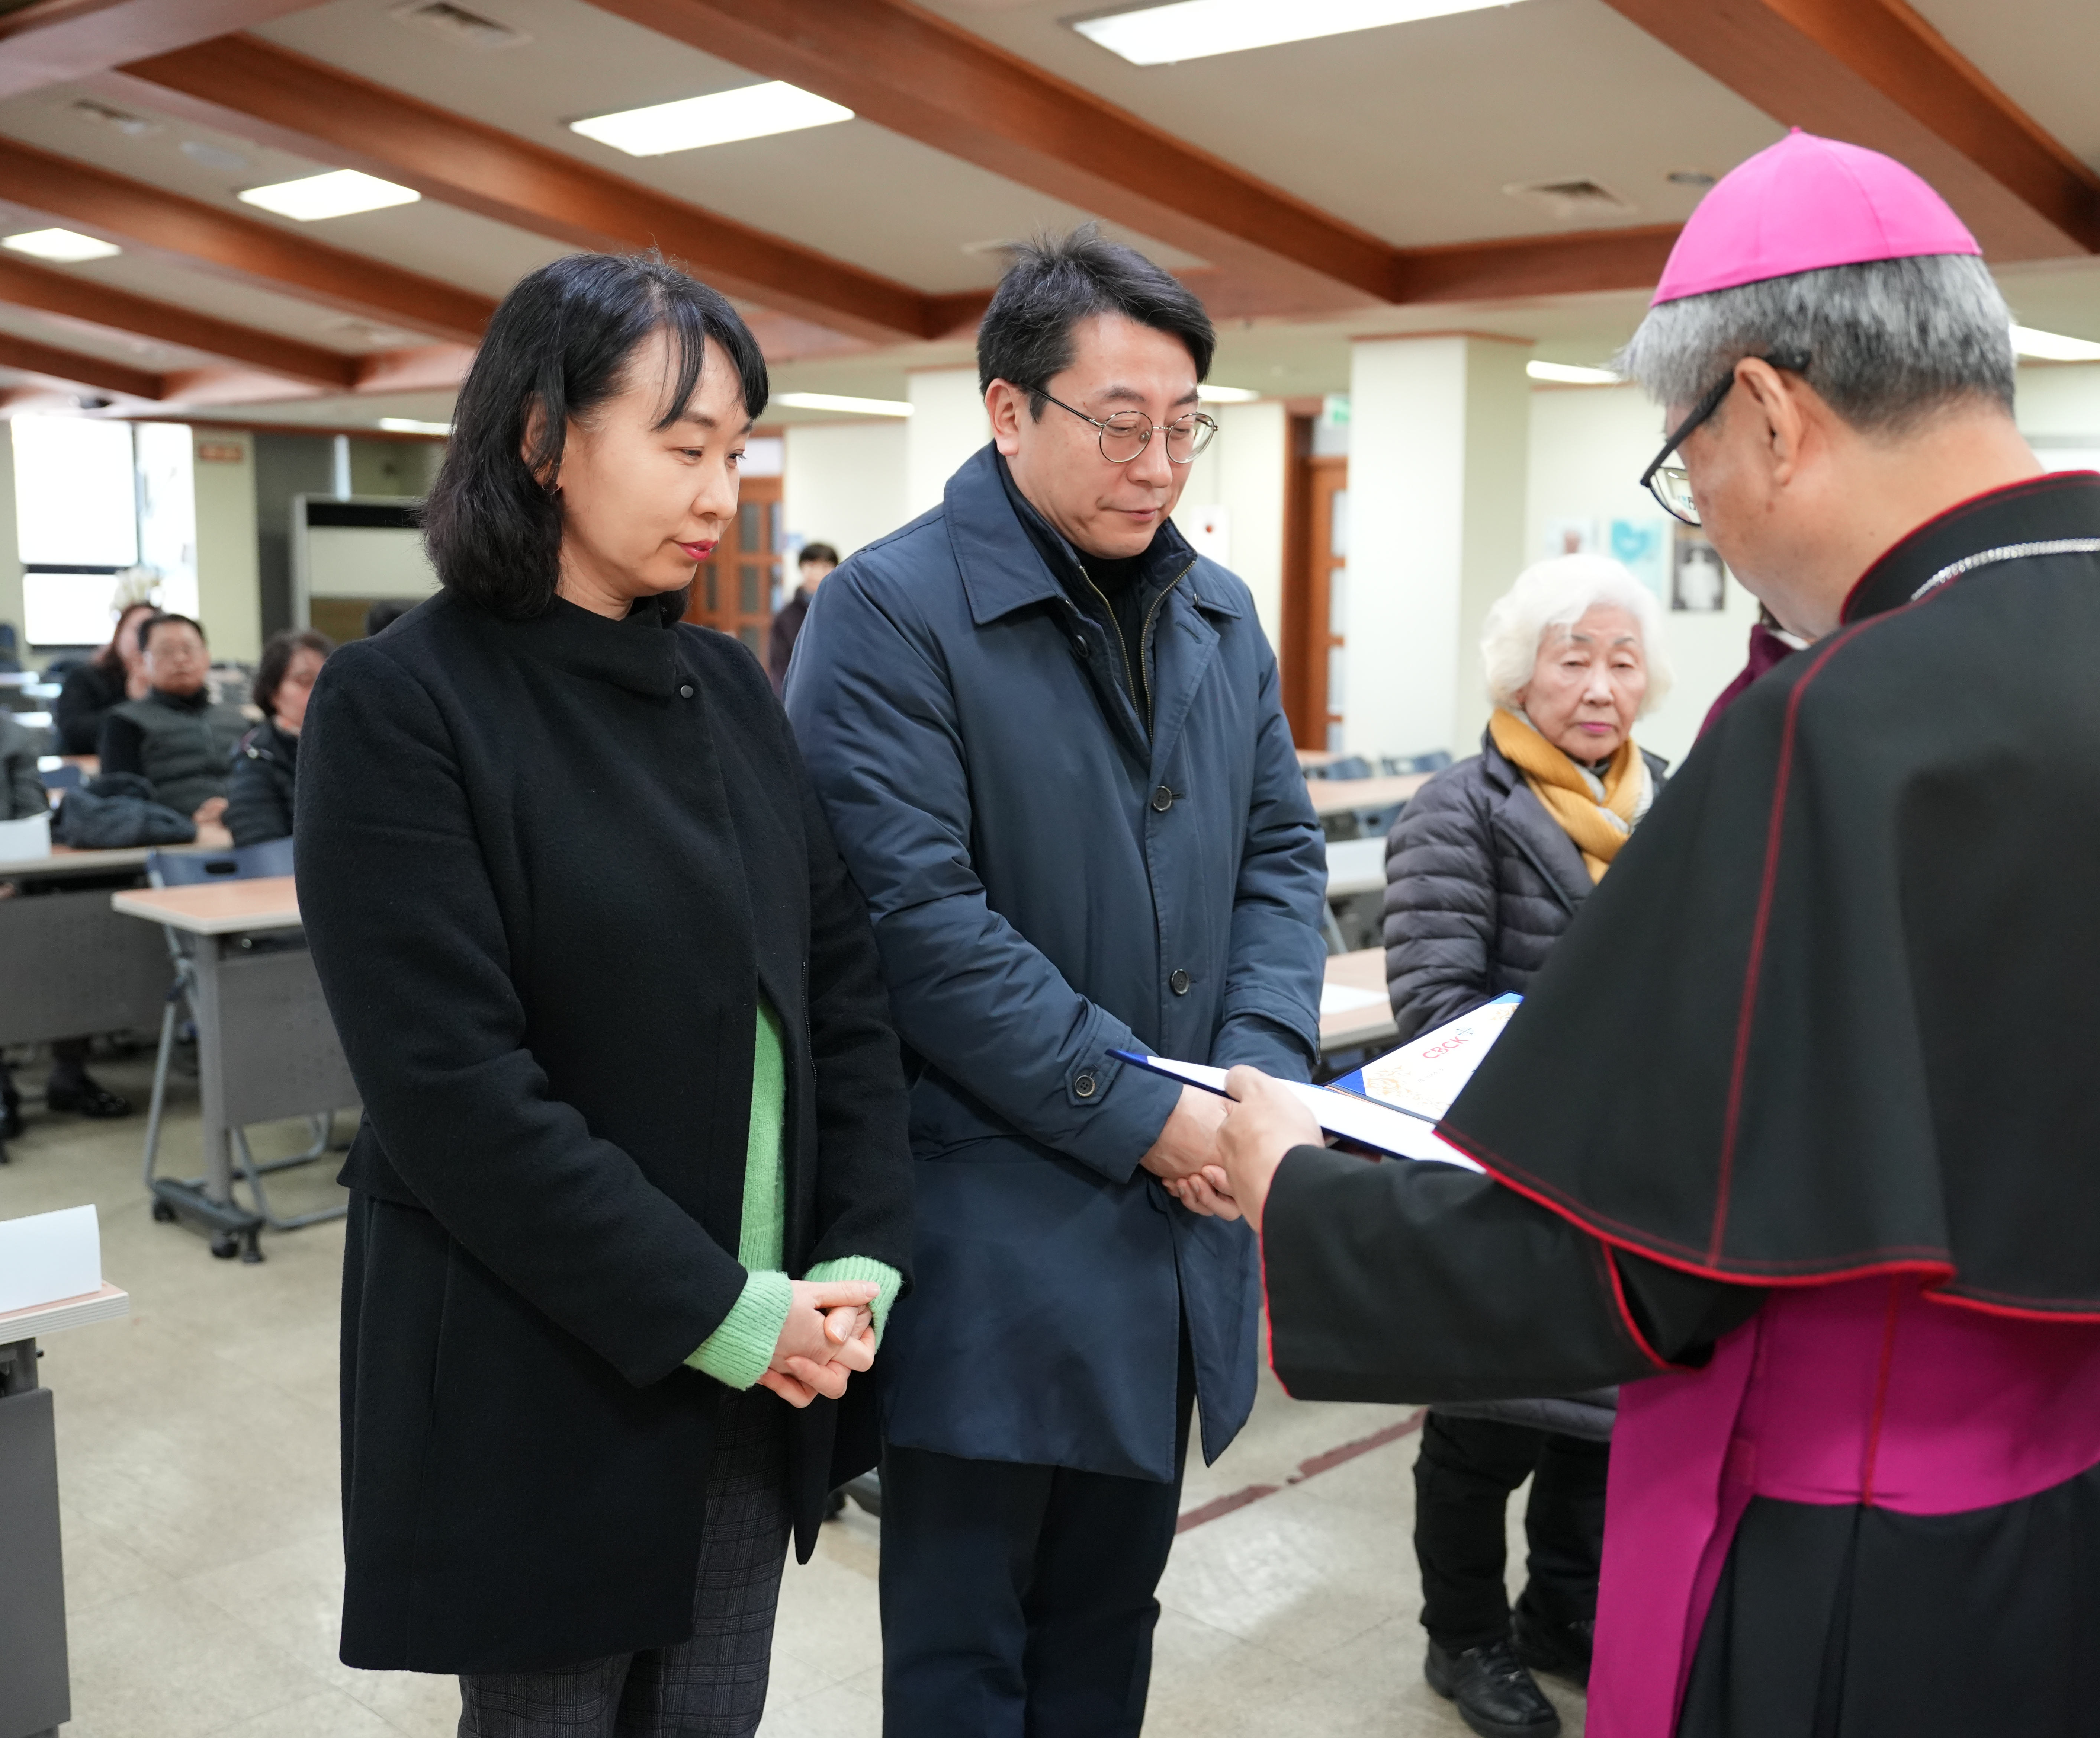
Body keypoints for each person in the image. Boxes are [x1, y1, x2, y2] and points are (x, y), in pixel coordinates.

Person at [1205, 131, 2100, 1738]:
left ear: (1767, 408)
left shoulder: (1832, 724)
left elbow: (1637, 1269)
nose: (1718, 522)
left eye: (1693, 474)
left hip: (1860, 1573)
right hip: (2092, 1507)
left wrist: (1295, 1193)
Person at [292, 250, 913, 1731]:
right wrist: (723, 1306)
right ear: (540, 437)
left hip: (767, 1374)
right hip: (549, 1368)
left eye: (737, 452)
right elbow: (455, 1092)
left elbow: (844, 999)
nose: (720, 489)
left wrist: (865, 1252)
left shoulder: (734, 693)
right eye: (683, 445)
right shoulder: (405, 703)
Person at [796, 224, 1325, 1737]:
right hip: (993, 1234)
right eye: (1119, 422)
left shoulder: (1218, 616)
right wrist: (1156, 1112)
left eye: (1182, 426)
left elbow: (1279, 859)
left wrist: (1254, 1066)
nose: (1156, 462)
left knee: (1109, 1631)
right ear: (1008, 409)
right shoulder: (891, 615)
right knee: (969, 1657)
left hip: (1173, 1234)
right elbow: (918, 924)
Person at [1379, 553, 1671, 1738]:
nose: (1599, 686)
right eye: (1572, 658)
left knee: (1601, 1421)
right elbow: (1435, 1003)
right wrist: (1600, 1080)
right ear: (1520, 673)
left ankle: (1562, 1608)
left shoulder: (1677, 799)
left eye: (1620, 660)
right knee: (1482, 1423)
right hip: (1500, 1166)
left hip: (1637, 1177)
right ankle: (1463, 1636)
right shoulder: (1459, 808)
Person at [0, 607, 131, 1128]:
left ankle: (70, 1073)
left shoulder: (7, 732)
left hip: (5, 883)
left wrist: (10, 881)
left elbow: (31, 816)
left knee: (66, 926)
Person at [97, 613, 247, 822]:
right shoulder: (125, 722)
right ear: (142, 661)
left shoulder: (240, 719)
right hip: (173, 835)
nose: (180, 659)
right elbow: (121, 802)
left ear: (207, 657)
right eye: (166, 651)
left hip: (247, 825)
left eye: (189, 649)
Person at [224, 628, 330, 847]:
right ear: (272, 692)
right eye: (305, 681)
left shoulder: (354, 746)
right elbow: (260, 845)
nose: (321, 691)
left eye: (328, 680)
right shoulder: (255, 755)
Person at [55, 600, 154, 756]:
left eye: (152, 634)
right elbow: (74, 734)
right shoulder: (84, 678)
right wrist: (133, 704)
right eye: (138, 631)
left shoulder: (167, 683)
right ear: (119, 633)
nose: (144, 641)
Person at [766, 540, 835, 691]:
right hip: (798, 696)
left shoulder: (843, 611)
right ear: (801, 568)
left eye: (824, 567)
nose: (818, 573)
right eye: (811, 566)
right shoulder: (786, 617)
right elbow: (779, 666)